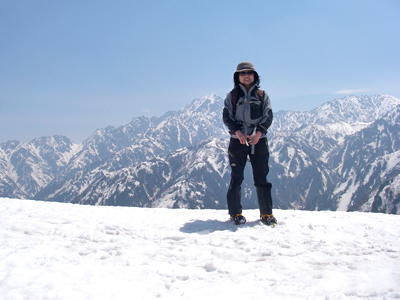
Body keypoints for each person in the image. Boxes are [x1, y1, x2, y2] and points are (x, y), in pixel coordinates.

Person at [222, 62, 277, 226]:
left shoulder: (262, 95)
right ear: (237, 76)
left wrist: (259, 132)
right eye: (242, 73)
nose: (246, 75)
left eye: (250, 72)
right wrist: (236, 132)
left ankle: (267, 214)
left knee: (262, 177)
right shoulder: (231, 96)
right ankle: (235, 213)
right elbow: (226, 116)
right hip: (237, 141)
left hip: (258, 141)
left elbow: (268, 116)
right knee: (236, 178)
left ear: (255, 75)